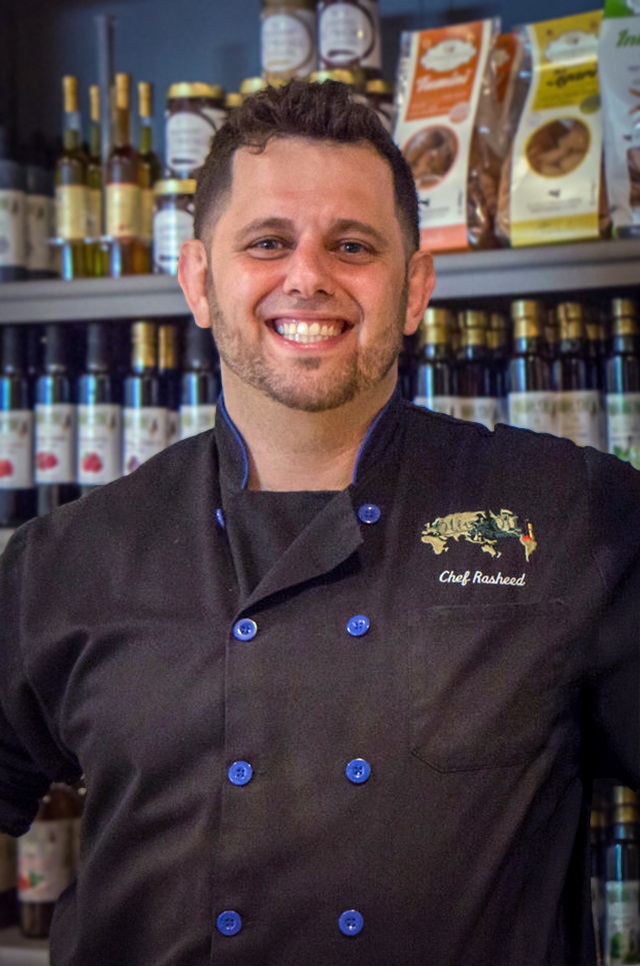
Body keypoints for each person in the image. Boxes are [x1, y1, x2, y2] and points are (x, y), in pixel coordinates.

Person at [0, 79, 638, 966]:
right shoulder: (66, 558)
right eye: (267, 242)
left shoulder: (566, 516)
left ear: (415, 289)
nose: (309, 275)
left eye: (353, 244)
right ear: (199, 282)